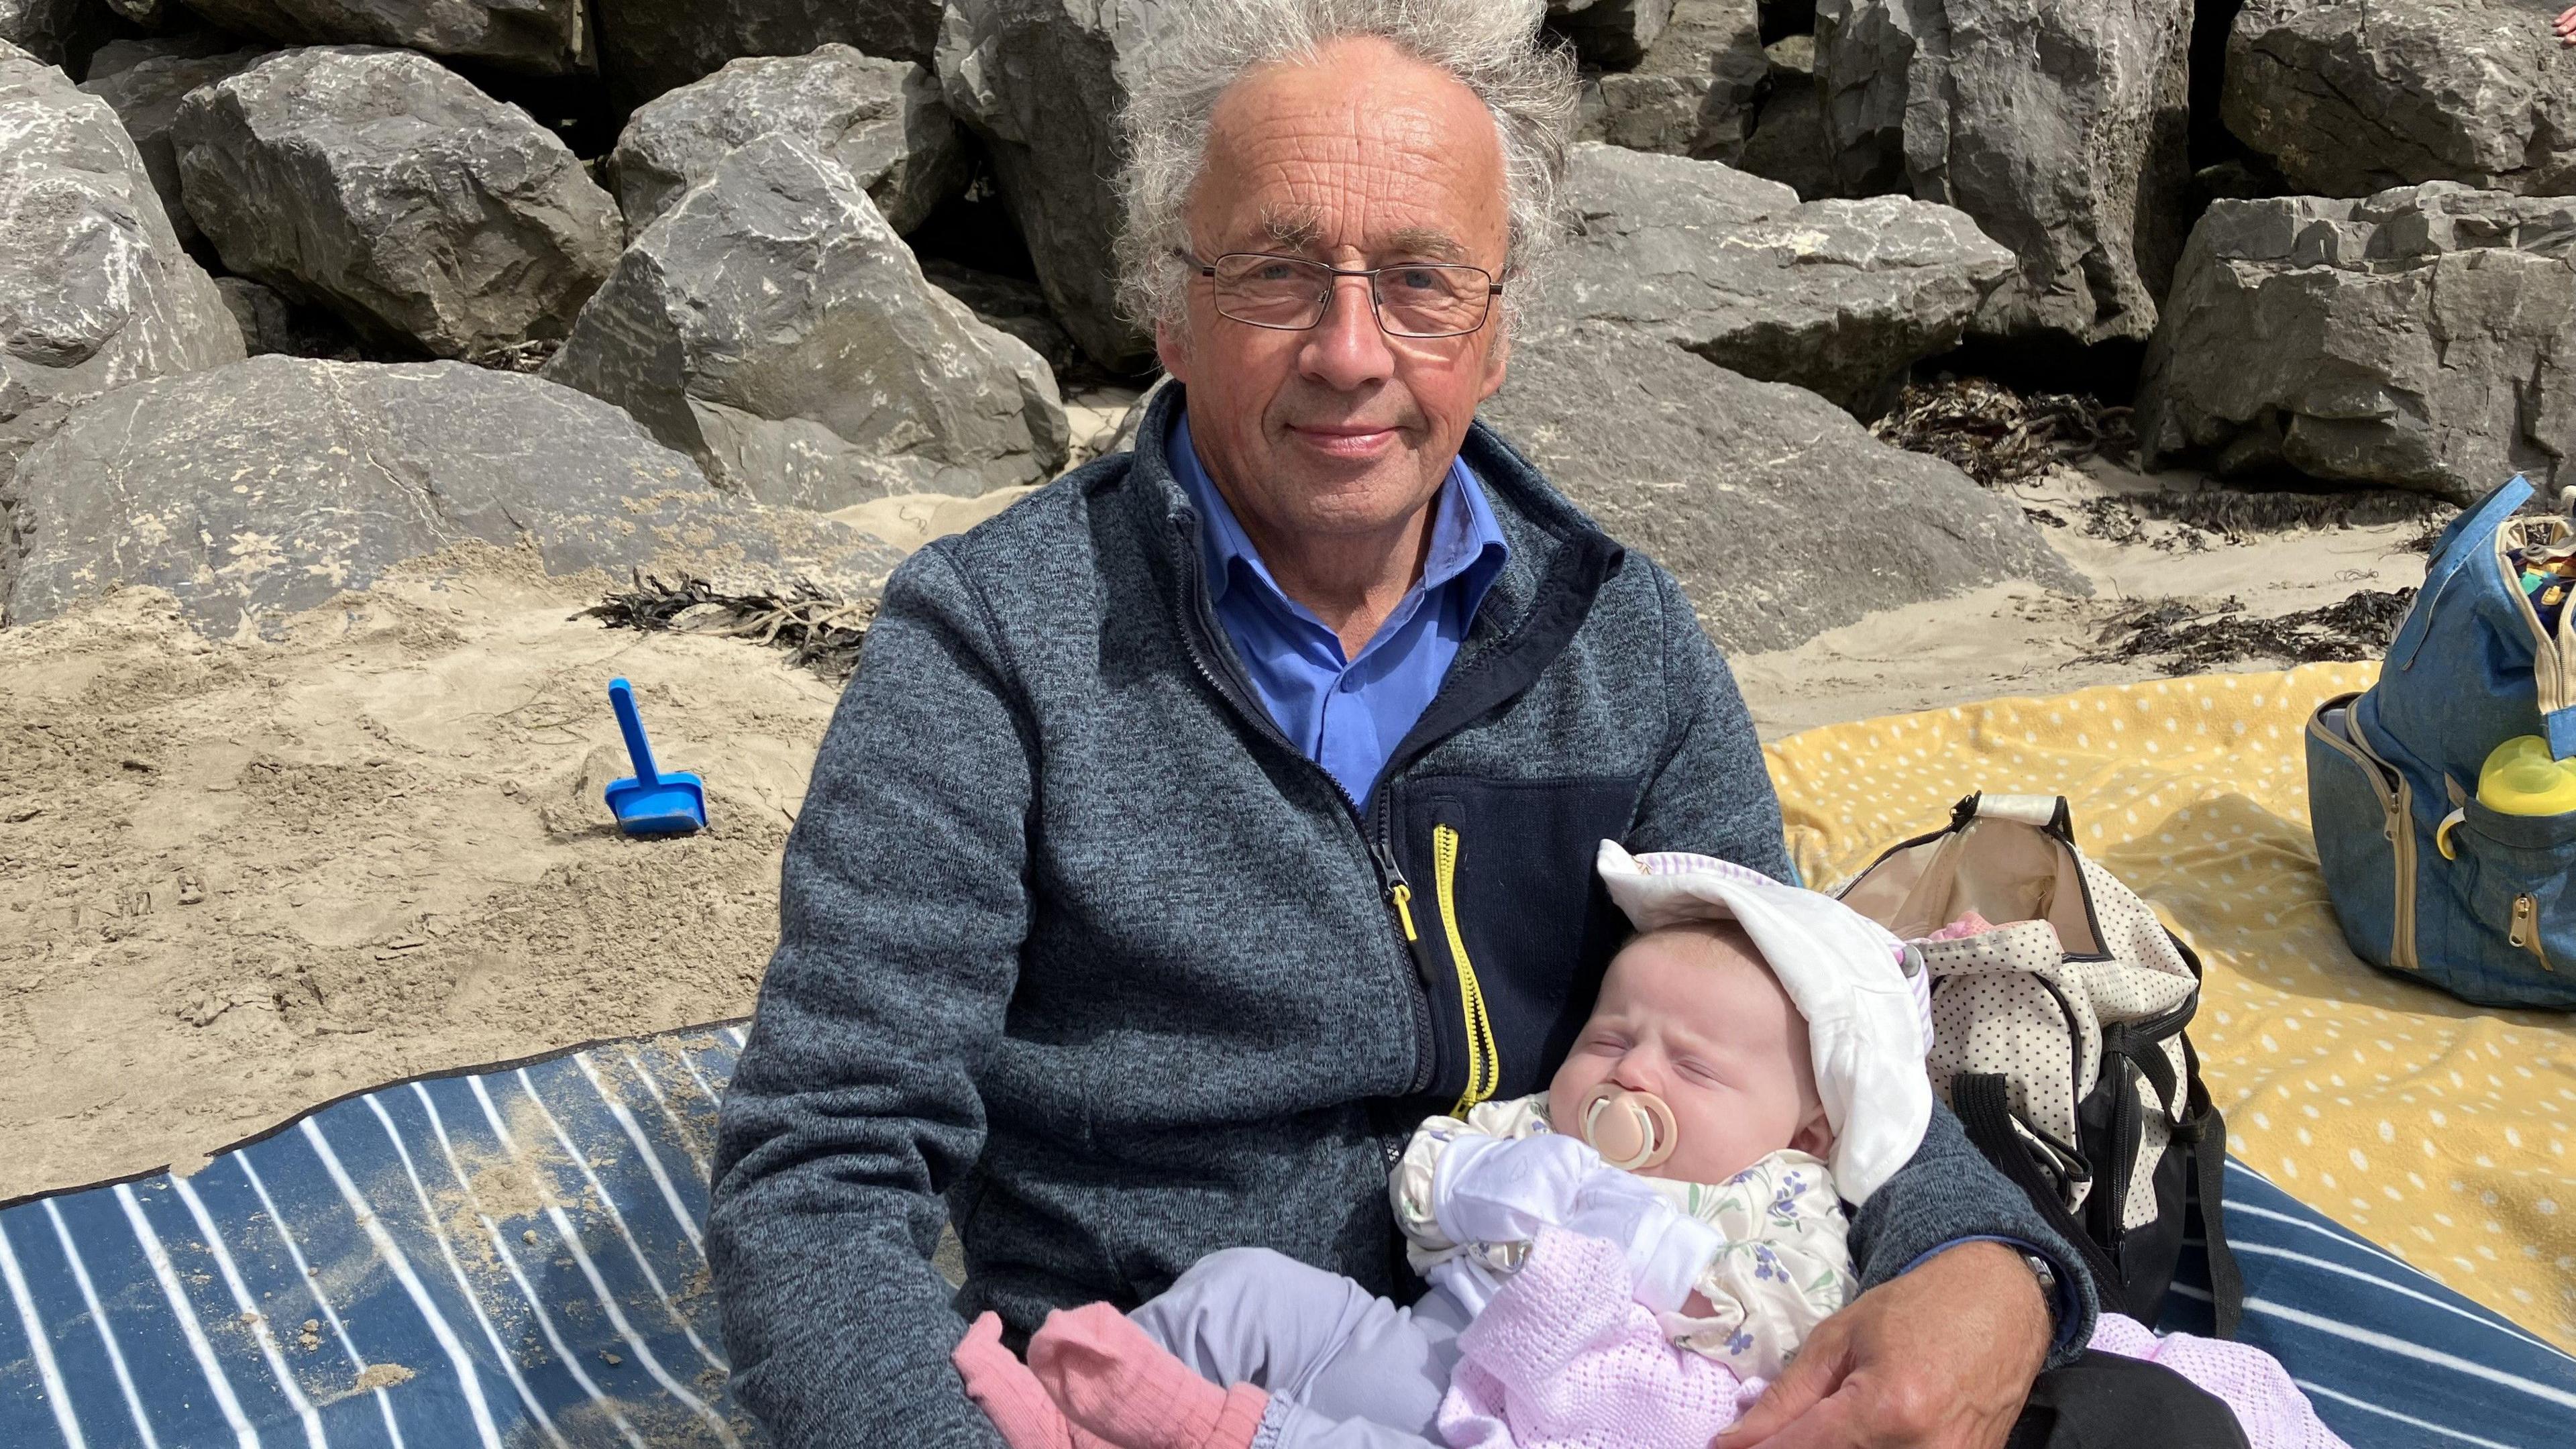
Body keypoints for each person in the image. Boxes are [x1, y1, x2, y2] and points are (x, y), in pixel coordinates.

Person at [706, 4, 2226, 1446]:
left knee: (2155, 1425)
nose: (1353, 352)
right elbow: (824, 1175)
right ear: (1171, 312)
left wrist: (2000, 1275)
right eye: (1278, 274)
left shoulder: (1623, 645)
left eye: (1423, 282)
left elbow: (1828, 1046)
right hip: (1199, 1387)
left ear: (1499, 336)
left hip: (1618, 1358)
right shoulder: (992, 649)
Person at [945, 852, 1935, 1449]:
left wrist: (1652, 1255)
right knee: (1244, 1288)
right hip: (1430, 1354)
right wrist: (1489, 1183)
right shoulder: (1546, 1126)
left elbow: (1791, 1327)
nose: (1634, 1075)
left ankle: (1217, 1431)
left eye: (1696, 1068)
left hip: (1577, 1420)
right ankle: (1065, 1418)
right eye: (1610, 1038)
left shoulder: (1785, 1197)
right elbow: (1423, 1188)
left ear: (1808, 1127)